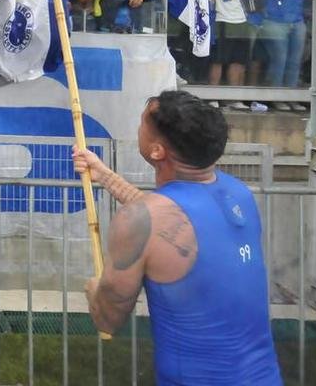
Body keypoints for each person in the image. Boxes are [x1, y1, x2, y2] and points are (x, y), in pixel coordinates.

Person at [73, 90, 282, 386]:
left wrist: (94, 290)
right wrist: (105, 176)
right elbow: (172, 223)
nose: (139, 127)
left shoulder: (142, 220)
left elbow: (107, 319)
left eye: (142, 123)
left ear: (157, 151)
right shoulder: (238, 193)